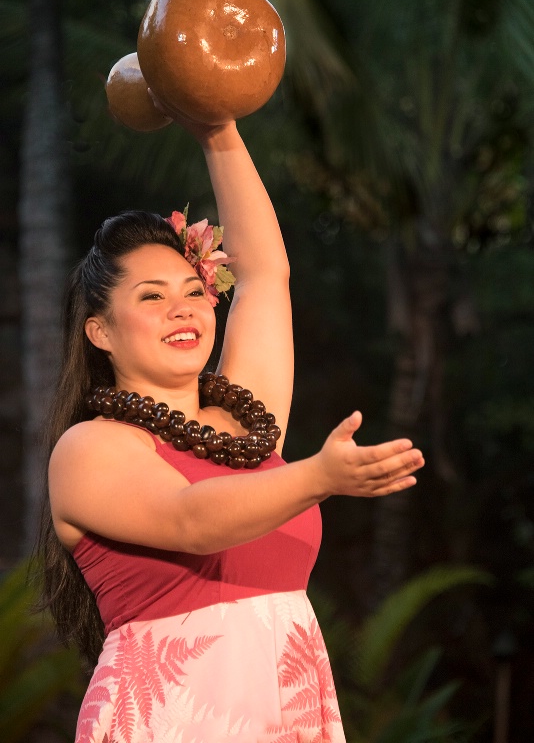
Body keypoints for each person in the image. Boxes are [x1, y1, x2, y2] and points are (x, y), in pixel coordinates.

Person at [38, 111, 424, 743]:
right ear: (101, 332)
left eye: (193, 290)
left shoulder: (244, 424)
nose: (182, 308)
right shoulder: (89, 450)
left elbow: (266, 273)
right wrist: (316, 477)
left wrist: (216, 125)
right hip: (173, 719)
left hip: (287, 713)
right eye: (151, 297)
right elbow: (193, 519)